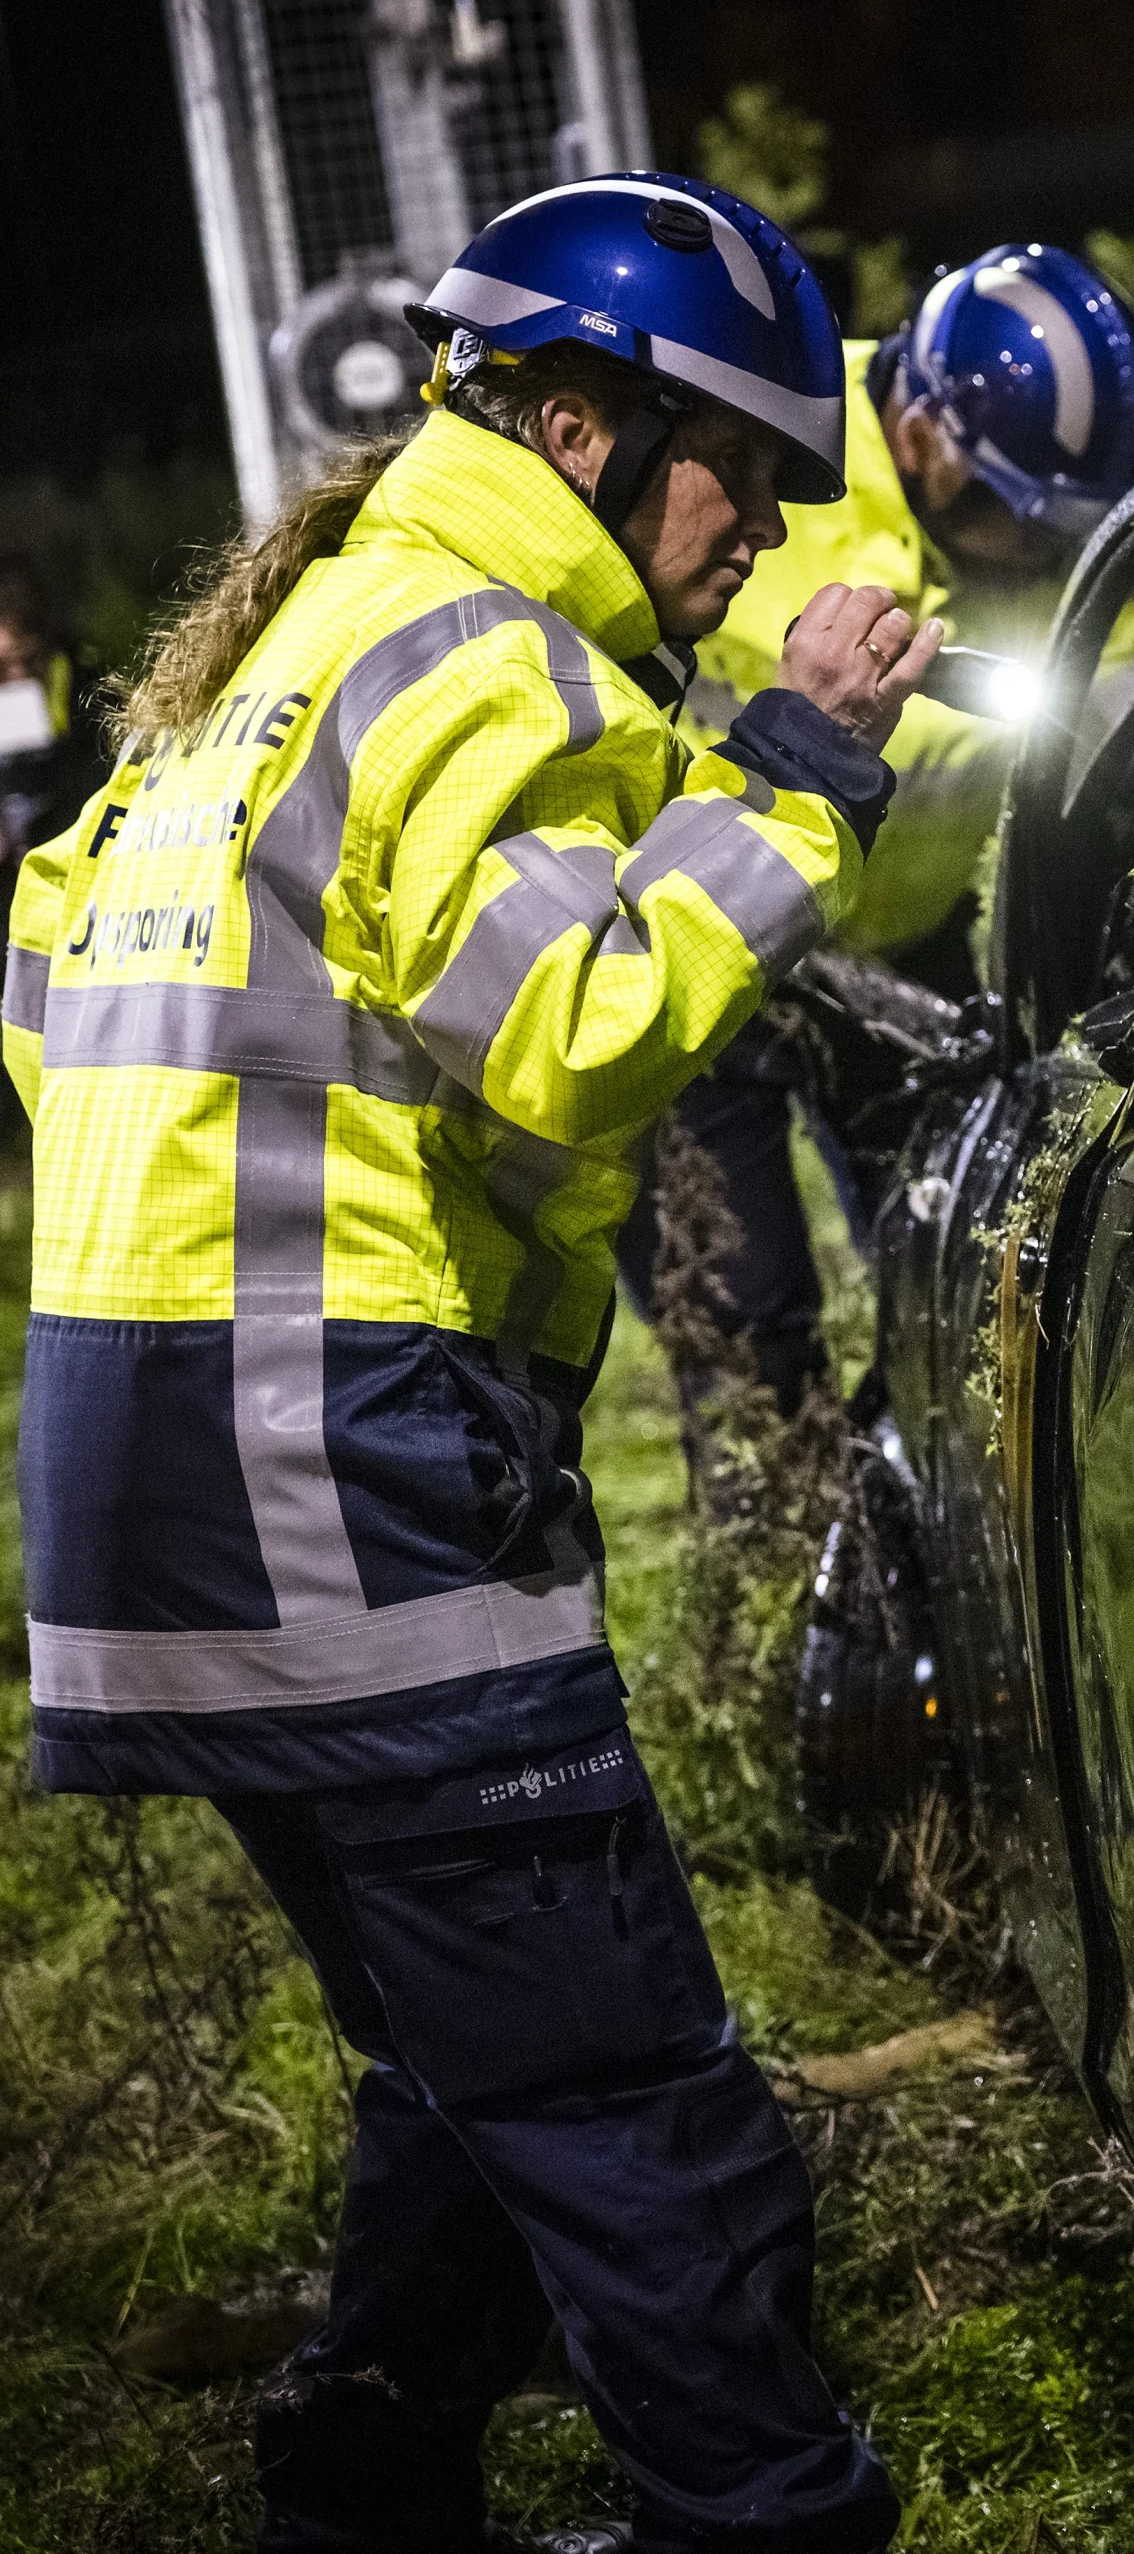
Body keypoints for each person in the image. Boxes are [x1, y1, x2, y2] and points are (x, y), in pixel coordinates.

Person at [3, 171, 939, 2554]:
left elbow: (47, 989)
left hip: (145, 1470)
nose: (758, 533)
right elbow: (576, 1026)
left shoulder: (289, 649)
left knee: (461, 2053)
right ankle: (771, 2518)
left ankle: (370, 2474)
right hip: (333, 1455)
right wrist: (800, 779)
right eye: (741, 467)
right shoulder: (484, 660)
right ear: (583, 422)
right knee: (638, 2100)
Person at [619, 241, 1134, 1415]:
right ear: (922, 433)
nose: (1041, 557)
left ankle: (920, 1530)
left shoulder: (1069, 530)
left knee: (963, 1276)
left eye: (1070, 527)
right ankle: (776, 1554)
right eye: (1013, 518)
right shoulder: (761, 448)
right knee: (744, 1330)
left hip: (896, 942)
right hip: (700, 940)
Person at [0, 552, 105, 856]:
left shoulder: (85, 687)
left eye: (28, 661)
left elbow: (94, 778)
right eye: (3, 669)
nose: (16, 679)